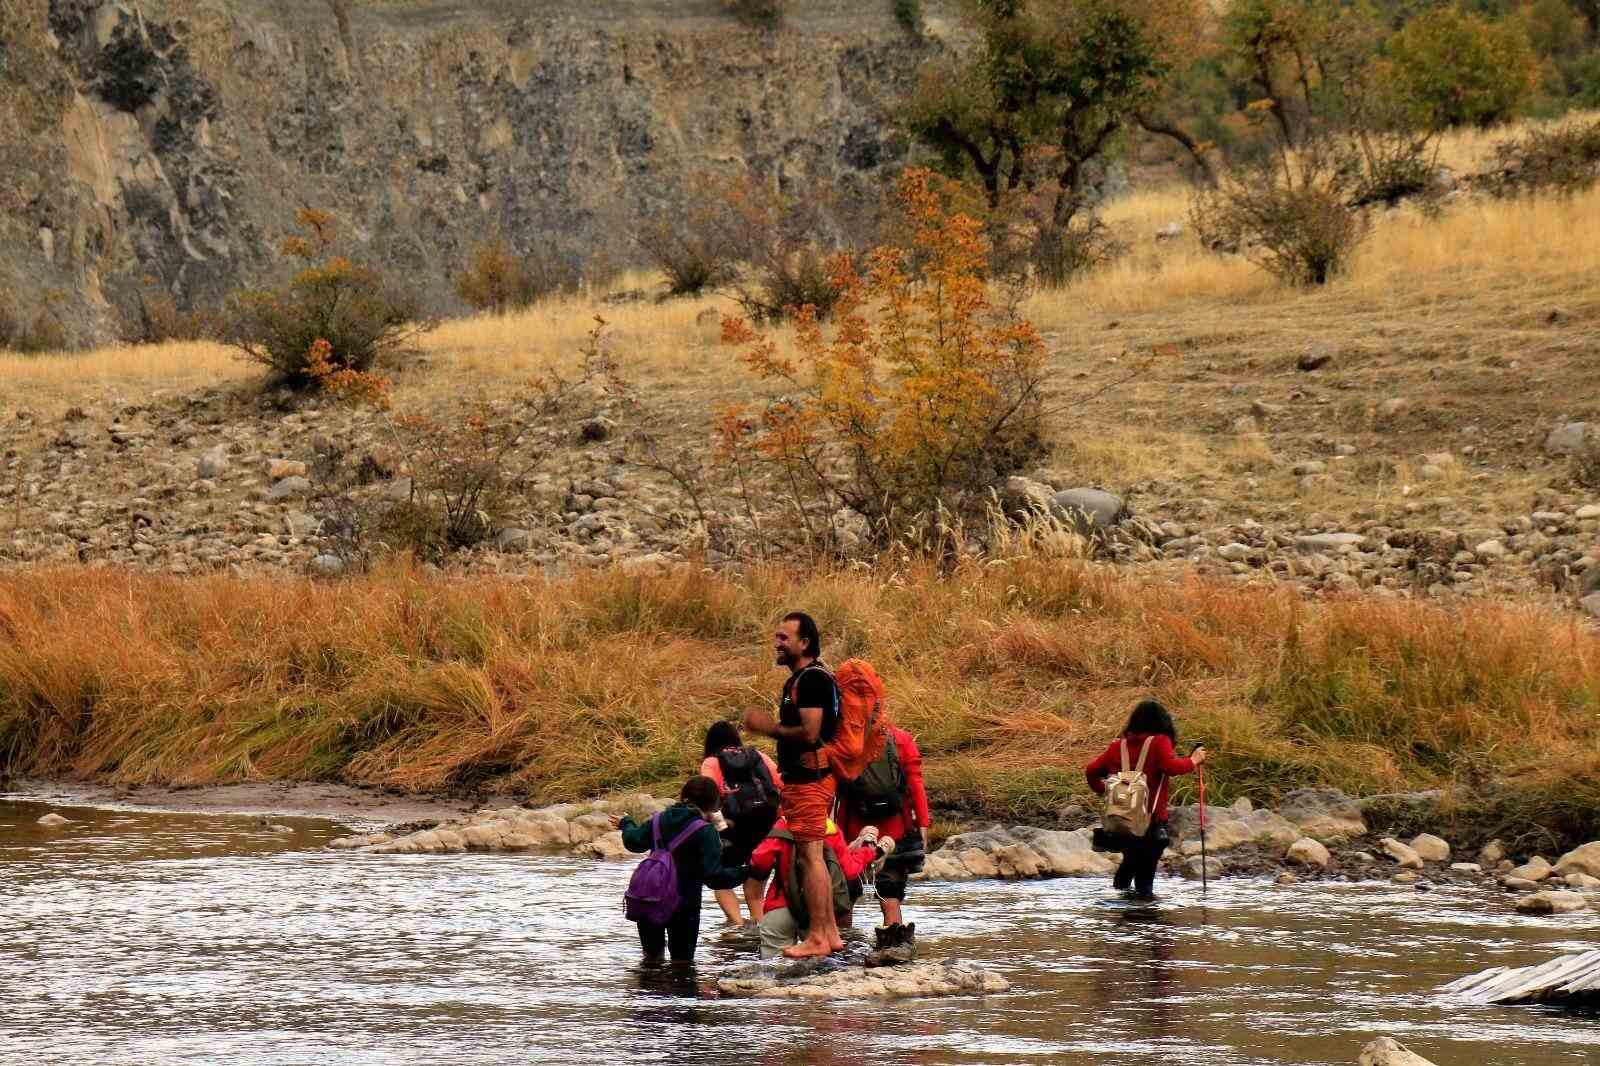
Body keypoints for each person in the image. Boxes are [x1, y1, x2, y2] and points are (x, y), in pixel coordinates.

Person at [741, 610, 844, 958]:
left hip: (809, 779)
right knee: (809, 854)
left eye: (784, 638)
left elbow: (810, 733)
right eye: (777, 637)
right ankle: (829, 932)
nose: (777, 644)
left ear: (805, 643)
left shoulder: (811, 680)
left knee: (810, 857)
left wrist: (767, 728)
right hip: (811, 778)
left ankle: (816, 936)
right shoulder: (799, 680)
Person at [613, 775, 746, 965]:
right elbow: (714, 878)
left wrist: (626, 823)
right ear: (713, 803)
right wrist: (746, 871)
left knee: (651, 960)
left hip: (650, 898)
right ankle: (681, 993)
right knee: (682, 963)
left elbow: (634, 842)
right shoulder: (706, 831)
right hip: (684, 905)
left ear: (682, 796)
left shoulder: (658, 820)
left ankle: (647, 993)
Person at [1084, 700, 1207, 901]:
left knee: (1129, 864)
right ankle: (1146, 924)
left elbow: (1091, 771)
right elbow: (1171, 767)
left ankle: (1120, 919)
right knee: (1145, 881)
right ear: (1162, 722)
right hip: (1151, 822)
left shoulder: (1118, 746)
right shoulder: (1159, 741)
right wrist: (1193, 760)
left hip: (1121, 821)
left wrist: (1104, 792)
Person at [838, 722, 931, 967]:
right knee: (890, 893)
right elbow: (915, 783)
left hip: (853, 830)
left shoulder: (843, 738)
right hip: (896, 829)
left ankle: (843, 954)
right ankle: (895, 948)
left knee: (846, 894)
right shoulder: (901, 738)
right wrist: (922, 823)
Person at [745, 816, 892, 959]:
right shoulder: (830, 829)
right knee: (818, 961)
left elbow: (759, 860)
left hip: (779, 907)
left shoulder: (783, 825)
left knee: (773, 962)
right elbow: (850, 870)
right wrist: (867, 852)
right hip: (817, 911)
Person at [699, 720, 783, 925]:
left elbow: (707, 794)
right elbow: (780, 783)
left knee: (720, 880)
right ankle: (759, 922)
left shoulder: (711, 762)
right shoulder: (759, 756)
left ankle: (736, 924)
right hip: (765, 824)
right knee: (755, 878)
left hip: (731, 827)